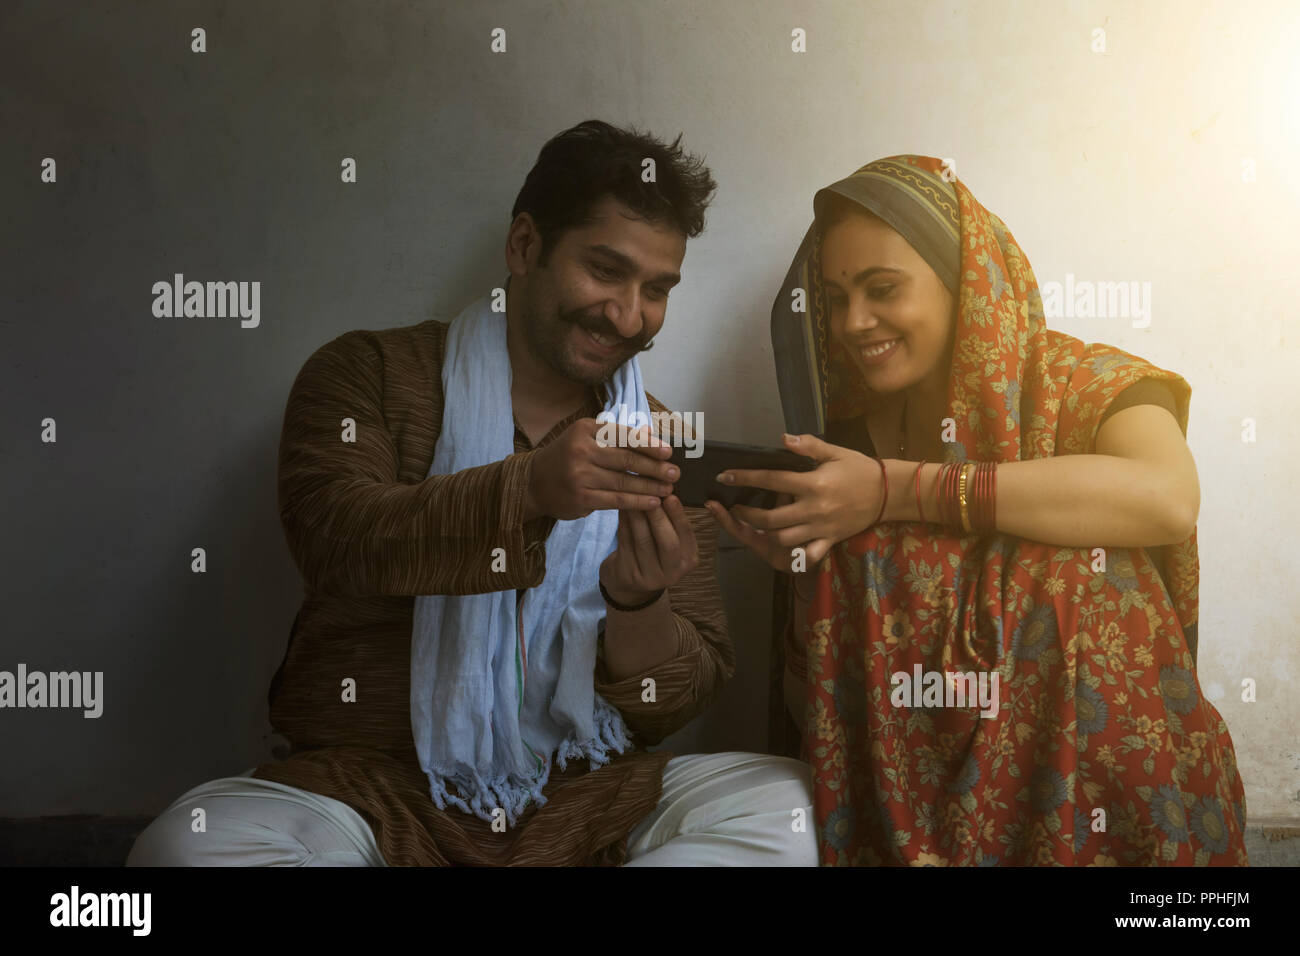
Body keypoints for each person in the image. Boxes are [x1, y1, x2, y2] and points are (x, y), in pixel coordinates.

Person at [126, 120, 818, 867]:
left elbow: (666, 710)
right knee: (185, 850)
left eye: (656, 290)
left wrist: (637, 603)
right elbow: (333, 536)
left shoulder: (654, 441)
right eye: (605, 271)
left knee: (792, 808)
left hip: (584, 799)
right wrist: (530, 489)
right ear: (524, 246)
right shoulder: (369, 373)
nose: (628, 315)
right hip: (367, 791)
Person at [708, 154, 1247, 866]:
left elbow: (1167, 499)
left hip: (1117, 816)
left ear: (967, 285)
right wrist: (810, 576)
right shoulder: (842, 450)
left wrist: (898, 492)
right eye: (836, 298)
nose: (853, 323)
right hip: (912, 820)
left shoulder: (1086, 387)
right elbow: (817, 707)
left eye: (882, 289)